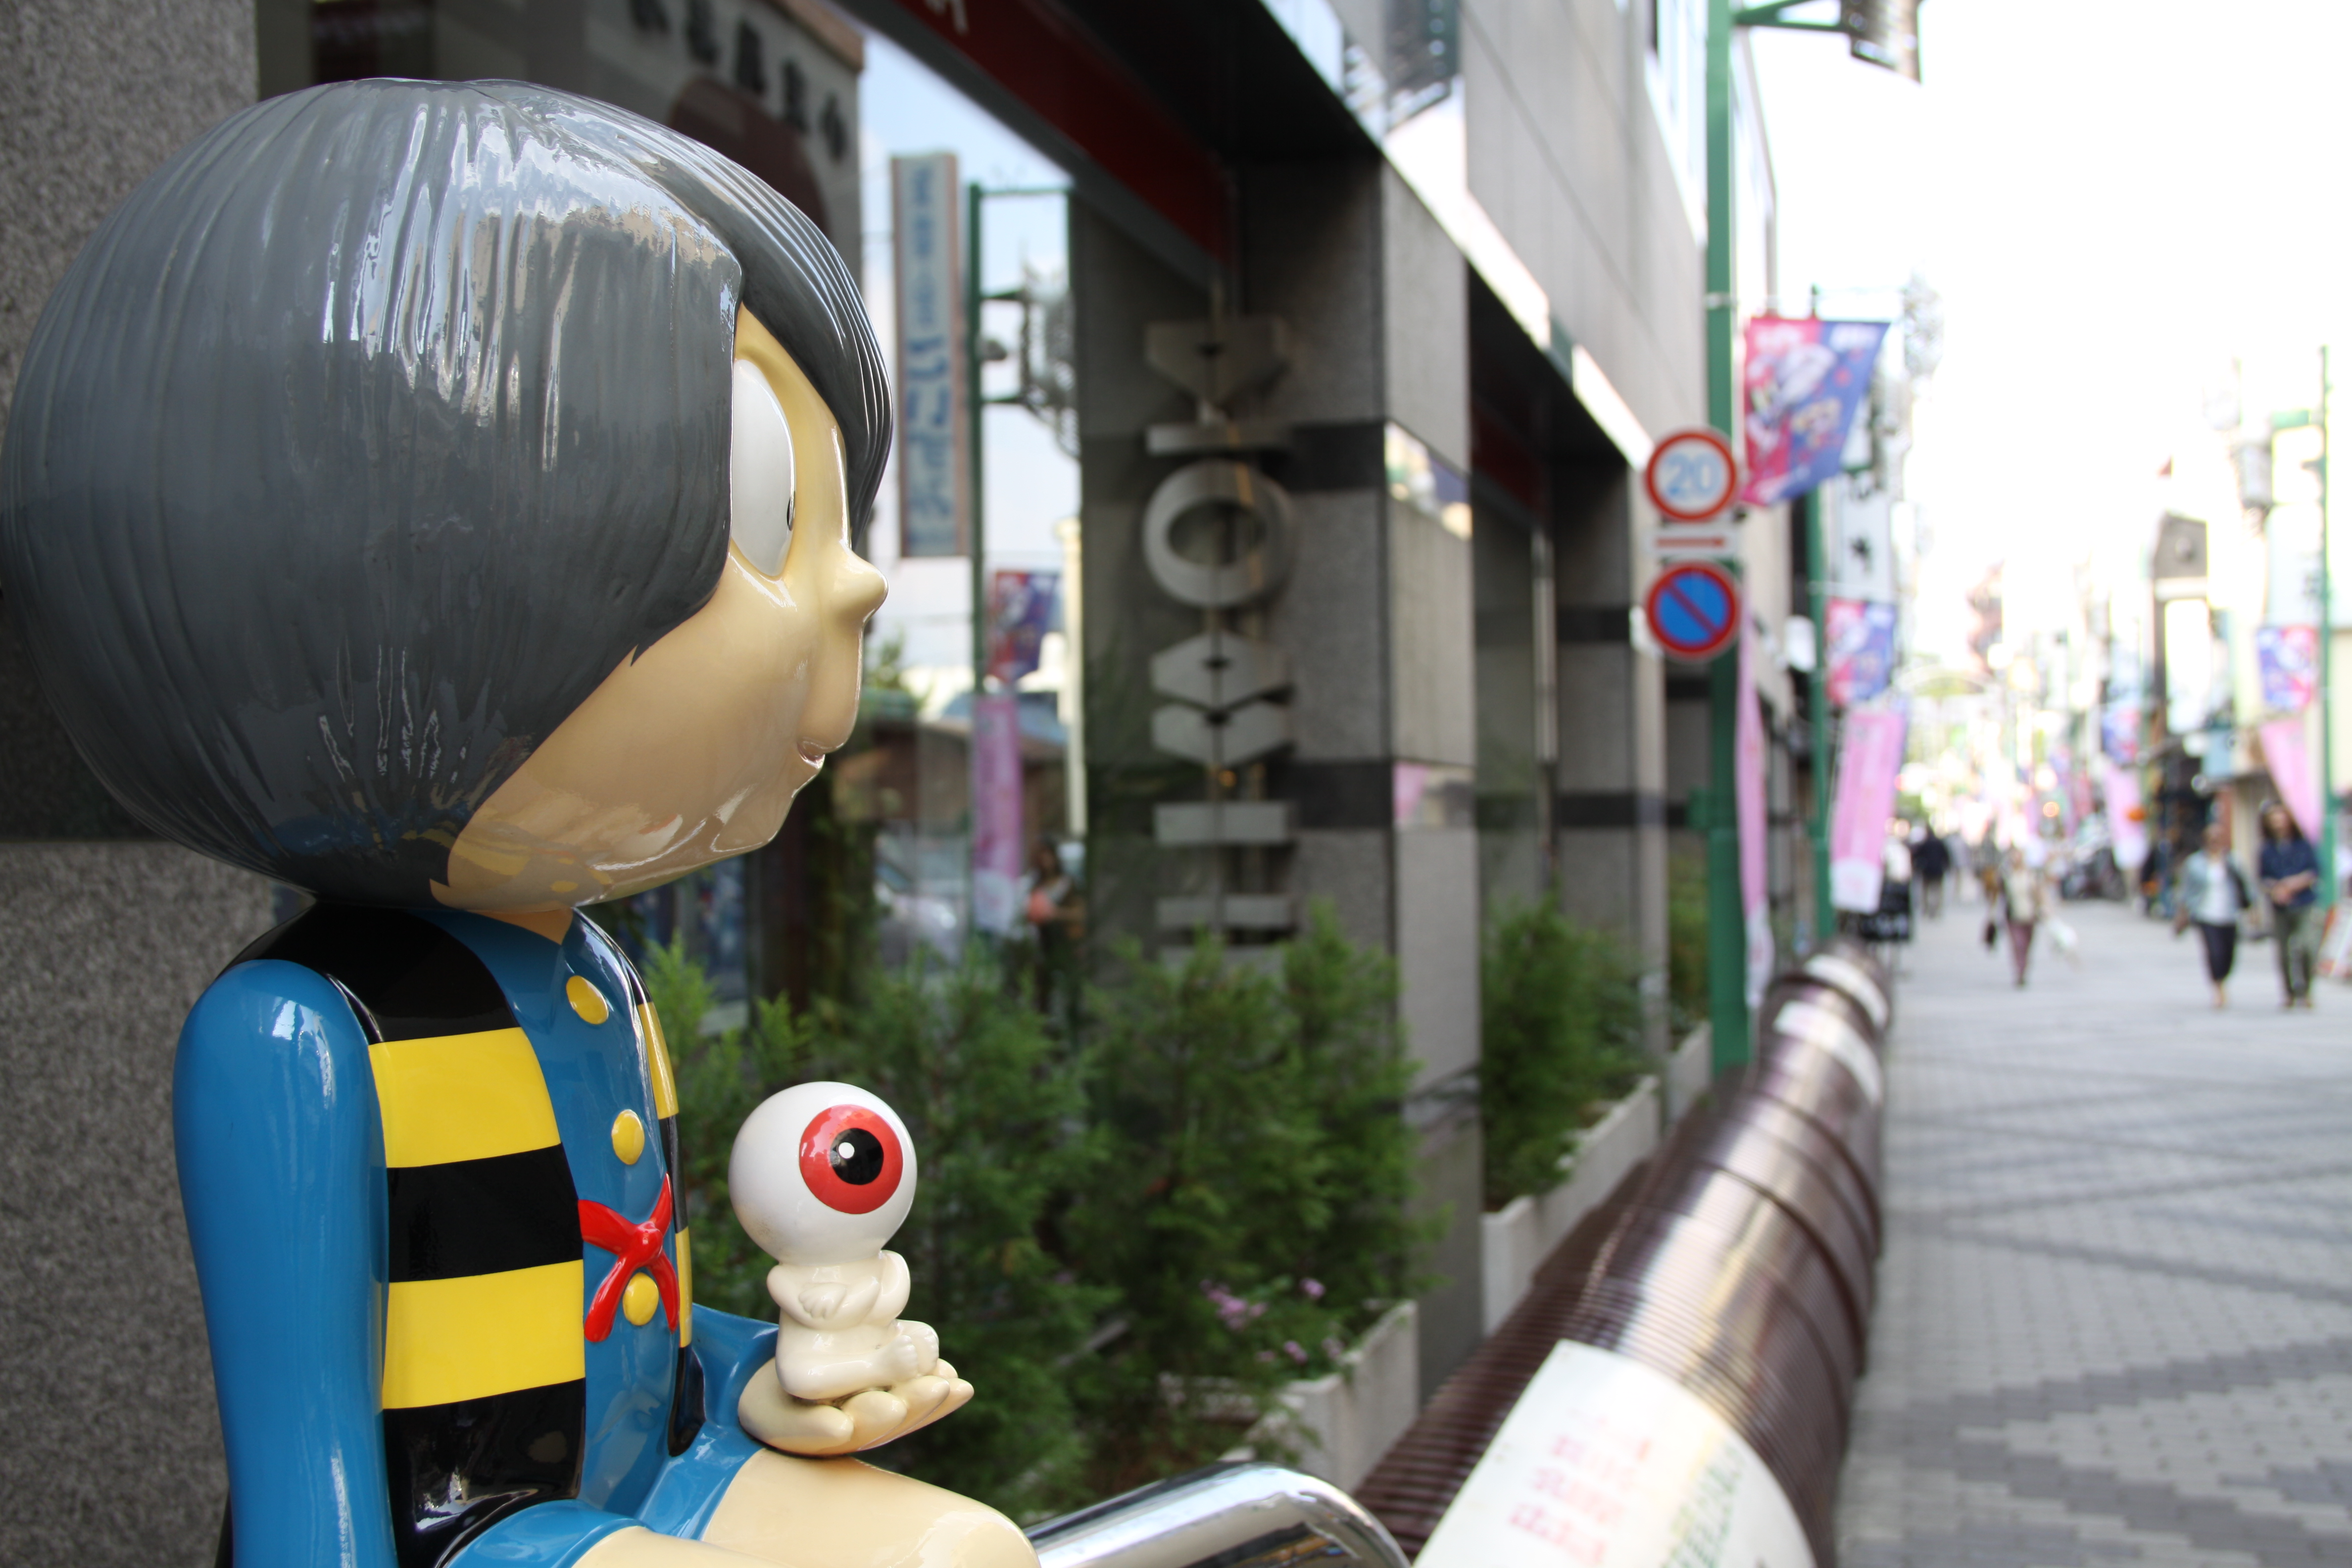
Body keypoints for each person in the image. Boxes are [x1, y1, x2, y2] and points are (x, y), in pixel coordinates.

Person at [0, 81, 1029, 1568]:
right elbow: (309, 1466)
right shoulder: (299, 1034)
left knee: (962, 1555)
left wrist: (768, 1374)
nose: (856, 589)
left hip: (643, 1487)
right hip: (462, 1535)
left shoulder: (598, 974)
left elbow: (636, 1323)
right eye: (758, 508)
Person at [2174, 822, 2252, 1009]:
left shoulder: (2233, 861)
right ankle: (2218, 988)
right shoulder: (2195, 863)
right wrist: (2182, 914)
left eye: (2219, 838)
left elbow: (2246, 886)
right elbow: (2186, 890)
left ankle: (2223, 979)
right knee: (2214, 953)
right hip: (2205, 914)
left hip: (2230, 913)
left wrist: (2253, 909)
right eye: (2211, 838)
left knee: (2229, 955)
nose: (2215, 841)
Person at [2257, 801, 2322, 1009]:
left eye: (2281, 817)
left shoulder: (2303, 845)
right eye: (2273, 819)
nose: (2278, 822)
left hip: (2304, 902)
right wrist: (2275, 889)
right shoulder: (2266, 849)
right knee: (2284, 953)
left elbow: (2314, 871)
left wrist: (2293, 885)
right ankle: (2289, 992)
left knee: (2307, 947)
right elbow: (2262, 879)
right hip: (2280, 907)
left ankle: (2307, 988)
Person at [1999, 845, 2050, 986]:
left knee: (2027, 946)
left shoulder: (2030, 875)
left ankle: (2024, 969)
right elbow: (1999, 896)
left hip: (2030, 916)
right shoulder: (2006, 875)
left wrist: (2044, 908)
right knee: (2018, 945)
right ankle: (2019, 972)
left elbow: (2039, 894)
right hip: (2013, 917)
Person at [1911, 825, 1953, 918]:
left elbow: (1916, 856)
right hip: (1938, 870)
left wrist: (1917, 867)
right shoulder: (1940, 843)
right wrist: (1947, 867)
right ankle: (1936, 910)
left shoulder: (1925, 843)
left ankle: (1926, 909)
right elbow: (1946, 857)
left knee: (1926, 891)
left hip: (1927, 870)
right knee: (1937, 891)